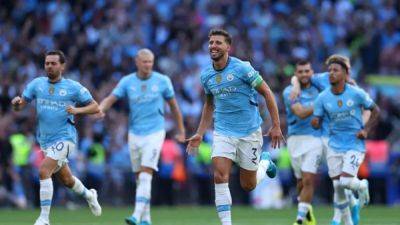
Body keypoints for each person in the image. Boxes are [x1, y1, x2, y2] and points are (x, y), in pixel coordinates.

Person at [186, 29, 282, 225]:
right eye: (211, 42)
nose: (213, 46)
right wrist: (199, 133)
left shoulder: (243, 69)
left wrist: (276, 126)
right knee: (220, 175)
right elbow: (209, 105)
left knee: (248, 185)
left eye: (218, 43)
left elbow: (267, 92)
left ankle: (265, 163)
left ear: (228, 47)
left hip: (249, 132)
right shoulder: (206, 76)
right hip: (222, 131)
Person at [11, 50, 102, 225]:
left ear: (62, 66)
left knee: (44, 170)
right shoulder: (37, 84)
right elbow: (20, 105)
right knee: (67, 180)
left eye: (53, 63)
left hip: (65, 138)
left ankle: (44, 218)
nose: (50, 66)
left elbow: (95, 107)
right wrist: (16, 104)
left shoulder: (73, 87)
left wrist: (77, 110)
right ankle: (90, 195)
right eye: (47, 63)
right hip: (45, 141)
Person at [97, 48, 185, 225]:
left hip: (155, 132)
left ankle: (136, 216)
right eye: (144, 62)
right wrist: (101, 109)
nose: (147, 65)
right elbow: (111, 98)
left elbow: (174, 106)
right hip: (135, 133)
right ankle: (147, 219)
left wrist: (181, 130)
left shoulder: (162, 81)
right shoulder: (127, 81)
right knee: (140, 177)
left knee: (146, 173)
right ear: (137, 62)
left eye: (150, 62)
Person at [289, 55, 368, 225]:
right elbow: (299, 75)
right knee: (337, 182)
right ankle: (350, 207)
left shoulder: (352, 88)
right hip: (324, 138)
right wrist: (295, 85)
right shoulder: (323, 79)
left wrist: (363, 126)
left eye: (347, 68)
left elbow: (366, 108)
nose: (347, 72)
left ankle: (338, 217)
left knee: (341, 180)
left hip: (346, 140)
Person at [311, 56, 380, 225]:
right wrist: (315, 122)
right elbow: (317, 120)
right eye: (330, 70)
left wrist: (365, 129)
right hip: (333, 144)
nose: (331, 74)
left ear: (345, 73)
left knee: (344, 181)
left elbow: (375, 110)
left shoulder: (356, 92)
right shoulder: (322, 97)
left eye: (336, 70)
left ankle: (362, 186)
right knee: (338, 187)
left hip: (354, 144)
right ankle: (347, 219)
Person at [282, 60, 322, 225]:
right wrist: (321, 102)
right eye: (301, 72)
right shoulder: (289, 92)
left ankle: (299, 219)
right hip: (295, 139)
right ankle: (307, 208)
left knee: (308, 179)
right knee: (300, 181)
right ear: (296, 74)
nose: (304, 74)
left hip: (314, 138)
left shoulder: (319, 88)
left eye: (307, 71)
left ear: (312, 72)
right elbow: (300, 113)